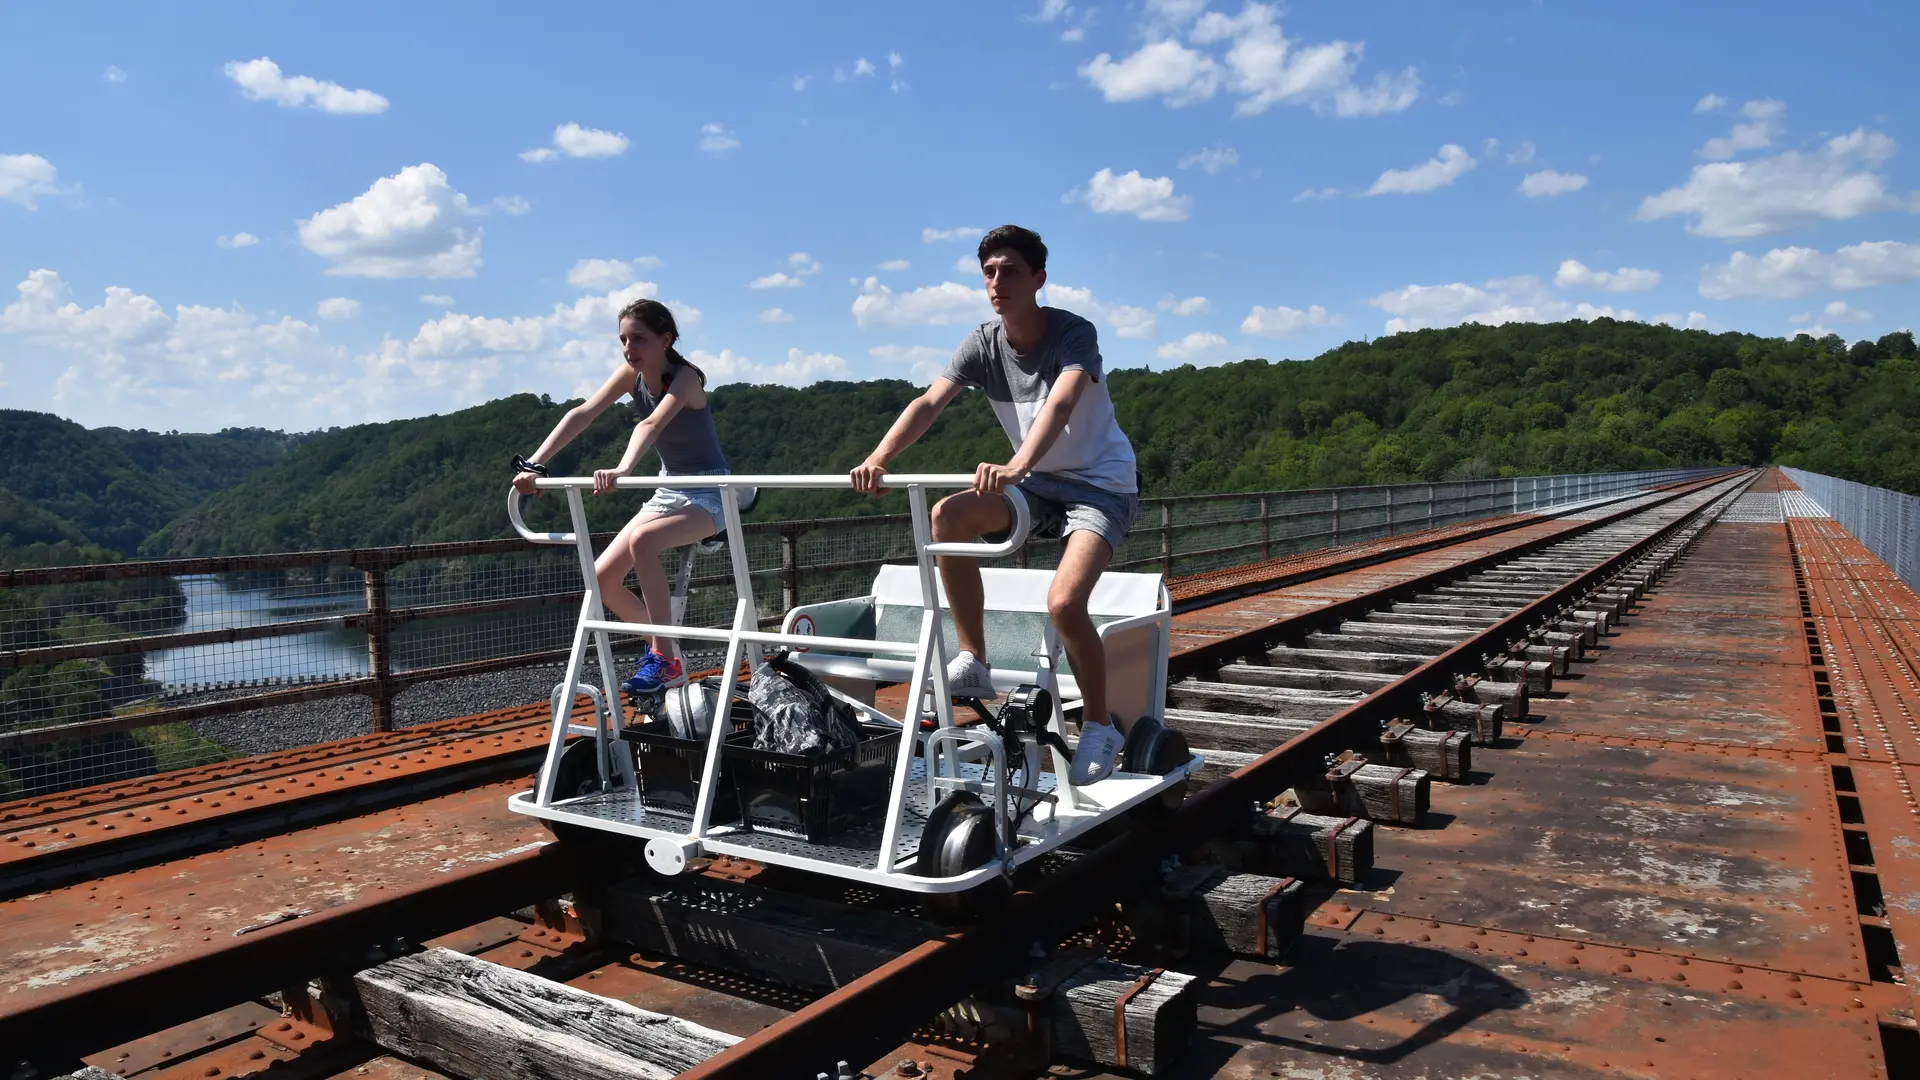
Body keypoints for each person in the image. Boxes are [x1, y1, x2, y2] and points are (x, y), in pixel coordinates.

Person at [850, 225, 1139, 785]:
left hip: (1101, 484)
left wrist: (1017, 466)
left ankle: (1101, 726)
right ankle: (974, 661)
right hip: (1036, 480)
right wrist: (879, 457)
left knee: (1064, 604)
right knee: (948, 516)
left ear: (1038, 279)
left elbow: (1061, 402)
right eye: (988, 271)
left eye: (1009, 271)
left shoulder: (1074, 333)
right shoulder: (982, 342)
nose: (996, 282)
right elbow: (930, 401)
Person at [511, 298, 739, 694]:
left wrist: (623, 469)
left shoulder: (685, 379)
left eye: (639, 339)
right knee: (600, 579)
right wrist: (534, 463)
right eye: (623, 340)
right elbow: (583, 413)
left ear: (665, 340)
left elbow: (651, 423)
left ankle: (665, 659)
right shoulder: (630, 375)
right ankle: (665, 651)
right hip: (670, 488)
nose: (629, 349)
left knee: (642, 541)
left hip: (712, 491)